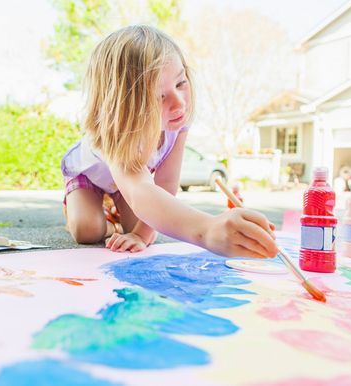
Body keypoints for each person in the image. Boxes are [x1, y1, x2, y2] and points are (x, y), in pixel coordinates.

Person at [61, 25, 277, 258]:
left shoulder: (178, 123)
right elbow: (139, 191)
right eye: (158, 97)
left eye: (181, 83)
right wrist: (207, 229)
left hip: (131, 181)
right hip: (90, 176)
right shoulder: (115, 130)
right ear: (124, 107)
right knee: (89, 230)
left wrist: (141, 234)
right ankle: (88, 212)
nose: (179, 104)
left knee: (151, 220)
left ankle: (115, 213)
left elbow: (165, 186)